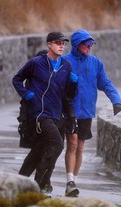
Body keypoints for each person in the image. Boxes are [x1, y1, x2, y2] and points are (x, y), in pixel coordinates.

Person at [12, 31, 78, 197]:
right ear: (49, 44)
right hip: (39, 114)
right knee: (57, 144)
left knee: (38, 151)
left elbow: (67, 95)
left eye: (63, 43)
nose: (61, 46)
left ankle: (19, 182)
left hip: (56, 115)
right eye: (58, 43)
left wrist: (73, 84)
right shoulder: (36, 63)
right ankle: (38, 184)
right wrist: (25, 94)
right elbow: (17, 79)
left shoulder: (66, 66)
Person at [62, 29, 121, 197]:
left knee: (80, 147)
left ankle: (73, 182)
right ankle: (69, 181)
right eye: (86, 45)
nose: (89, 48)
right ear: (76, 45)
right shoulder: (65, 61)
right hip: (69, 110)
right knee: (72, 144)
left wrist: (116, 100)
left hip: (87, 111)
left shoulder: (96, 63)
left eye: (90, 45)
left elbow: (105, 83)